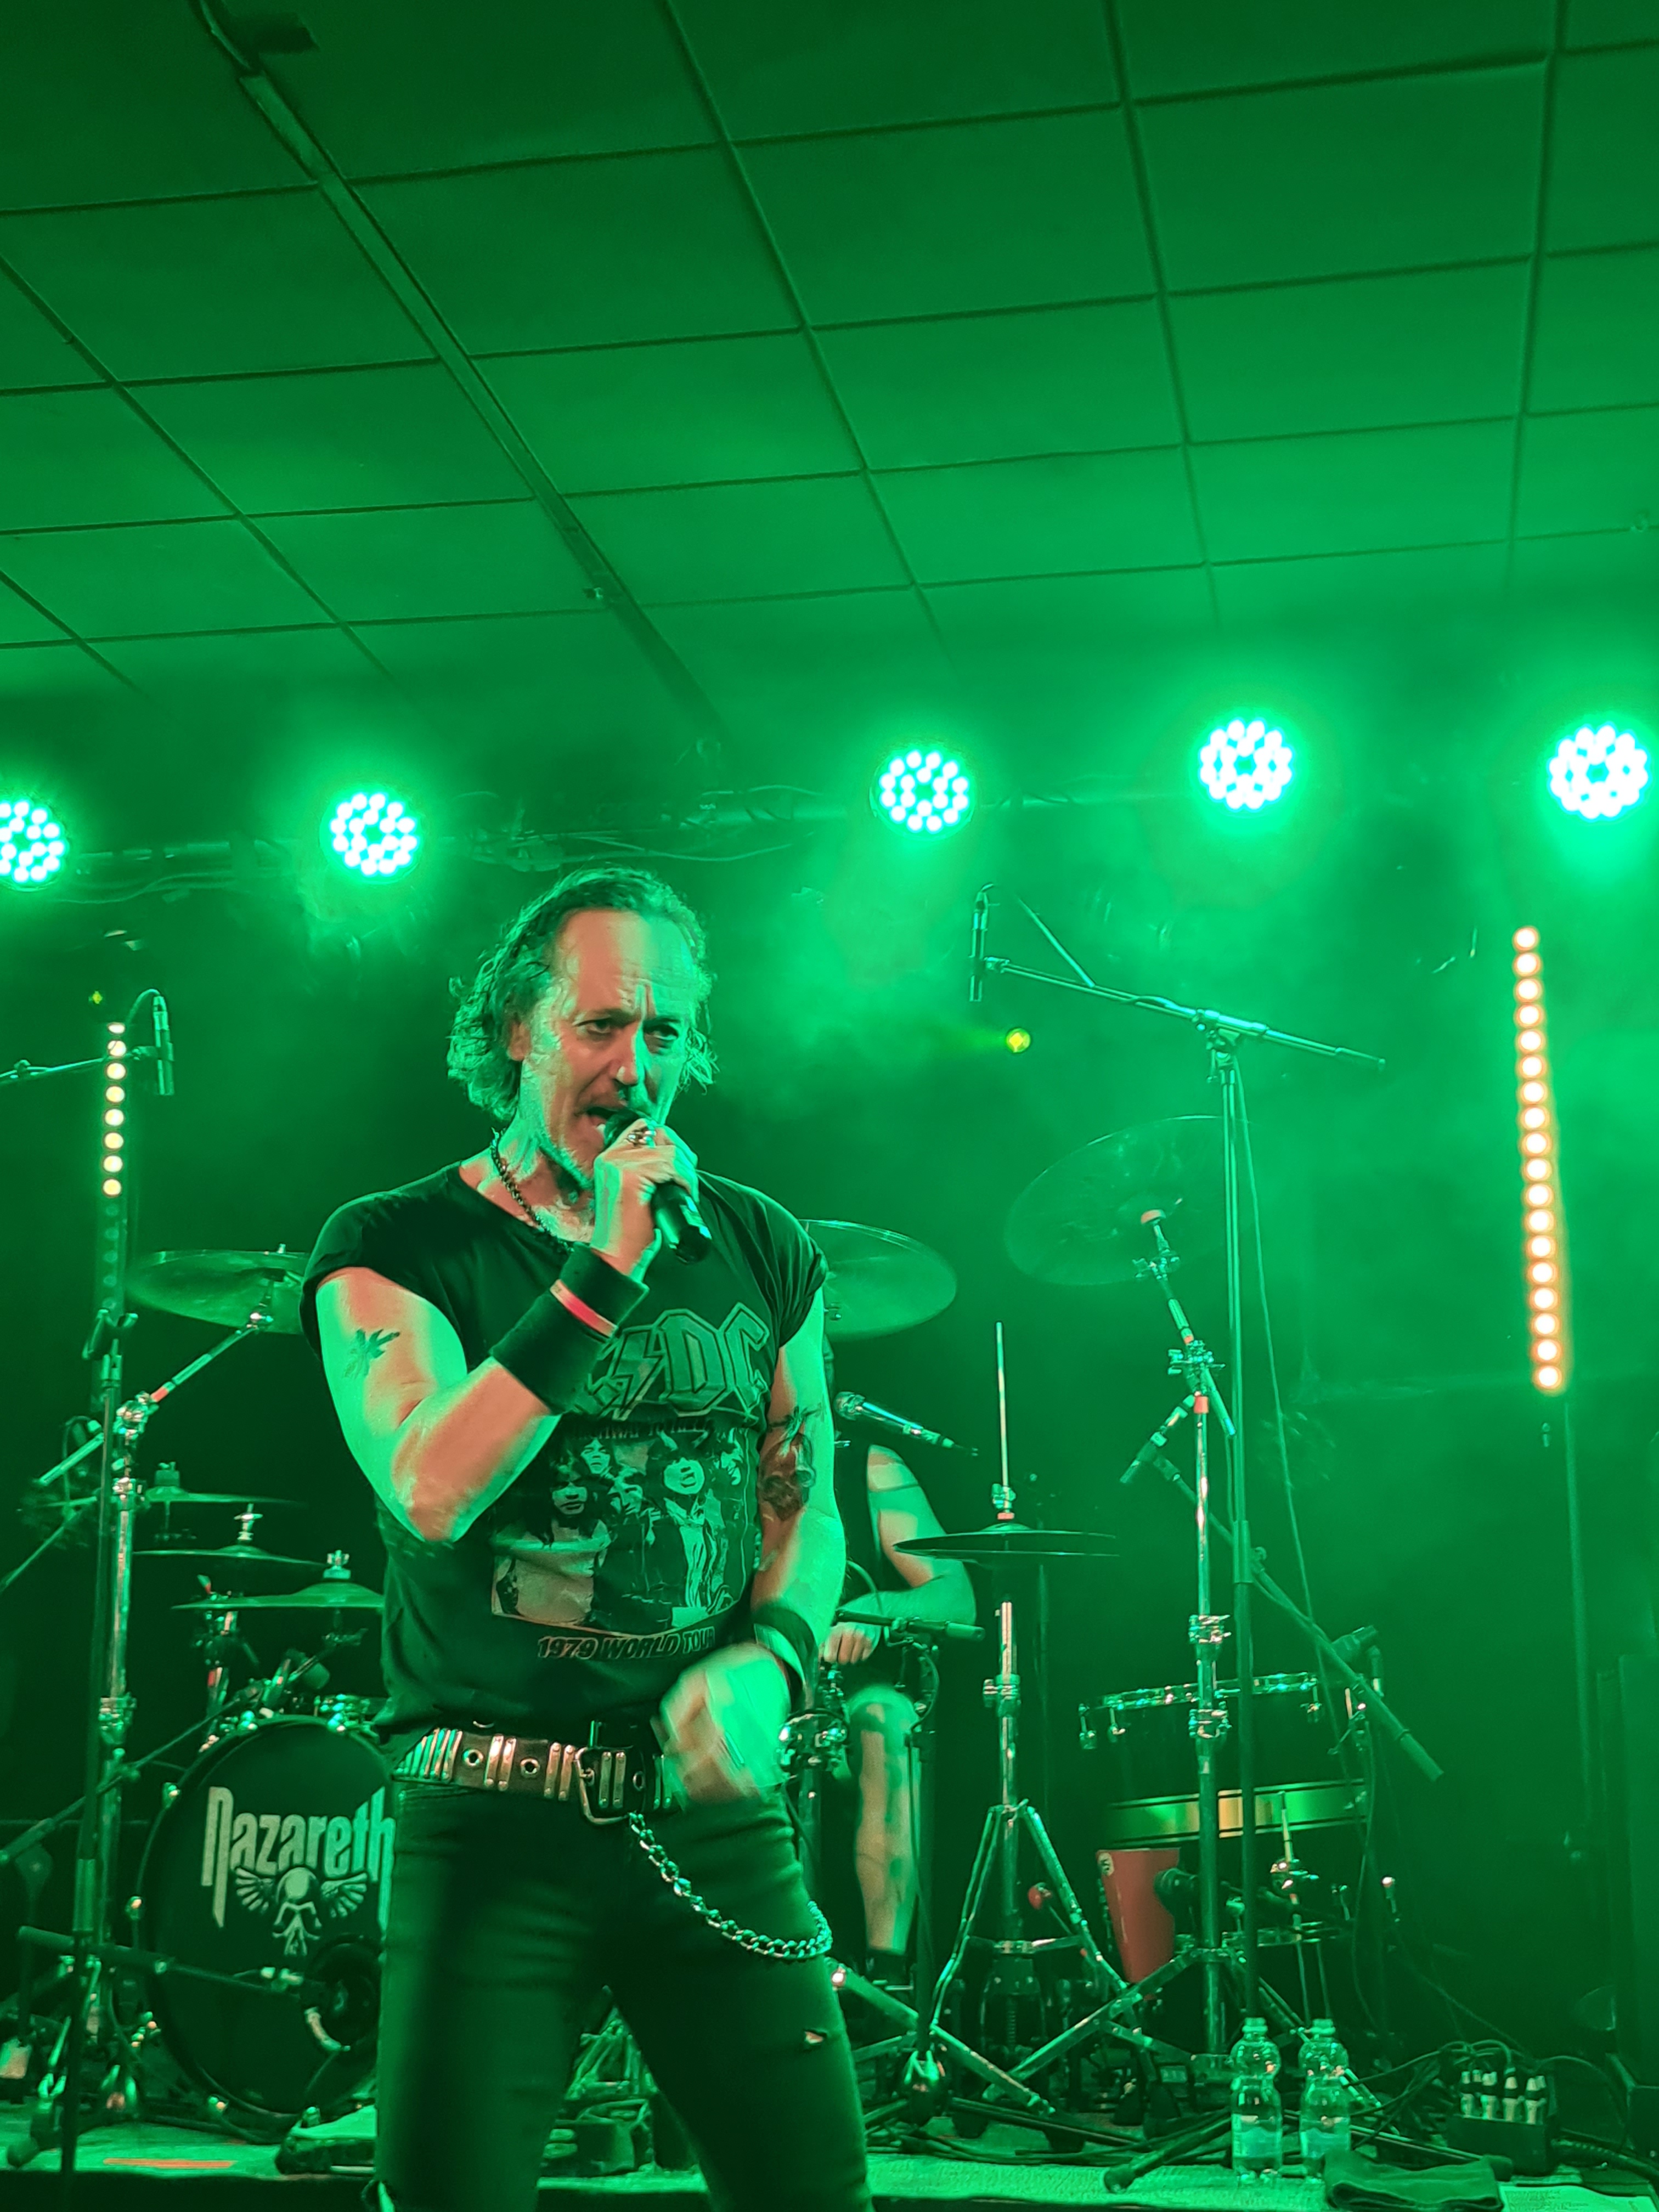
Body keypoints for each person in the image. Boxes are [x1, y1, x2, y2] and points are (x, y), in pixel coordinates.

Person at [300, 865, 870, 2212]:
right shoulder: (395, 1244)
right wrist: (605, 1267)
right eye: (601, 1025)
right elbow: (428, 1486)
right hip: (494, 1824)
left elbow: (804, 1500)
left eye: (664, 1031)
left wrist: (777, 1655)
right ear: (515, 1027)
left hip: (710, 1823)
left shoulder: (761, 1244)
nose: (635, 1068)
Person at [821, 1407, 974, 1990]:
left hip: (842, 1692)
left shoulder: (867, 1466)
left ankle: (887, 1979)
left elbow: (955, 1597)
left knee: (888, 1721)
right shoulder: (704, 1466)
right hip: (743, 1681)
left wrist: (876, 1612)